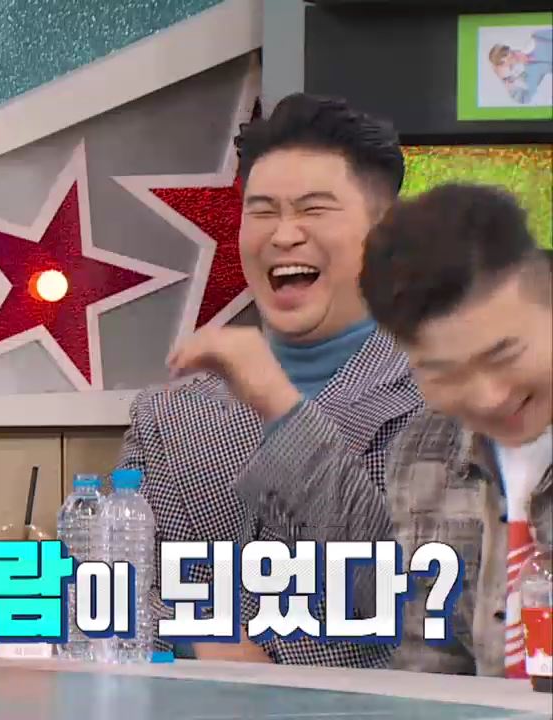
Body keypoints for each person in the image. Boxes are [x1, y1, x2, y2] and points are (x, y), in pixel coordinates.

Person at [117, 93, 423, 667]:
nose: (284, 236)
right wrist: (206, 640)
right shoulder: (168, 416)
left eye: (313, 210)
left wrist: (281, 408)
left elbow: (418, 597)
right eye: (261, 211)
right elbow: (115, 586)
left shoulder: (448, 399)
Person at [295, 183, 551, 677]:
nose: (488, 396)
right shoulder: (422, 453)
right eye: (445, 372)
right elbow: (431, 664)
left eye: (505, 354)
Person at [489, 29, 552, 105]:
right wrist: (507, 83)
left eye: (507, 53)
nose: (509, 58)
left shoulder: (537, 37)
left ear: (509, 48)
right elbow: (527, 98)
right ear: (505, 65)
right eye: (505, 61)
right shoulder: (529, 75)